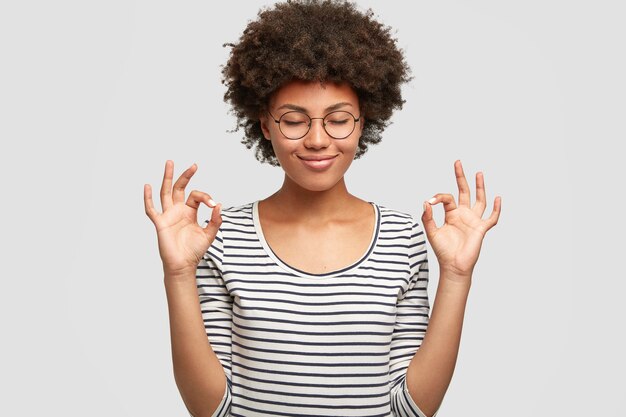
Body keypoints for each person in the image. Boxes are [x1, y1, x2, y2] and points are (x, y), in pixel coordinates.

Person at [143, 1, 501, 416]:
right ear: (264, 124)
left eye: (338, 119)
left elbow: (410, 410)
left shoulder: (402, 238)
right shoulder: (220, 237)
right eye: (294, 120)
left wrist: (456, 276)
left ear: (363, 121)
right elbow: (211, 410)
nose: (317, 139)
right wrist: (178, 273)